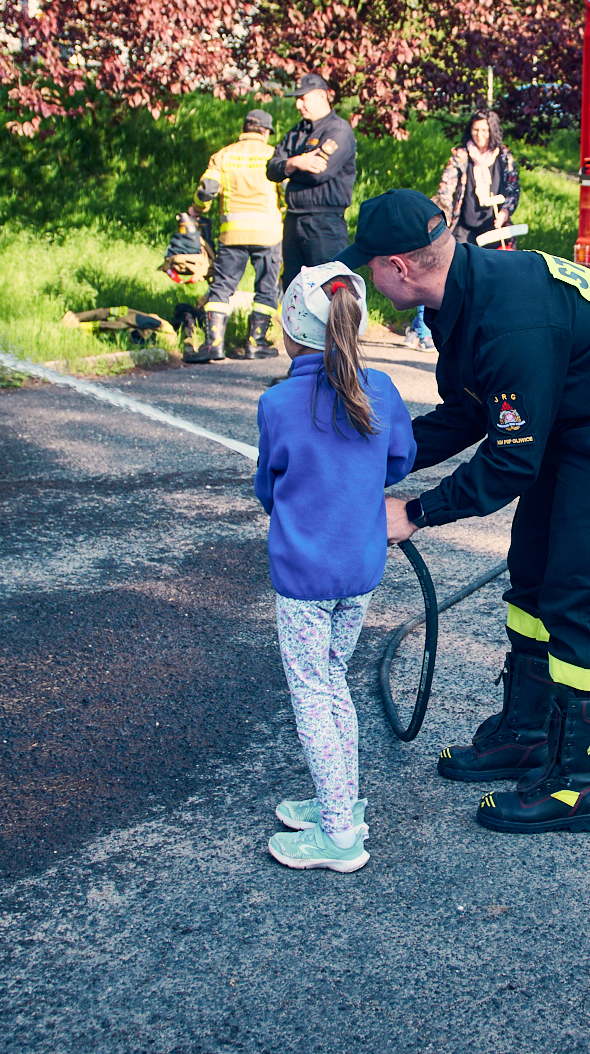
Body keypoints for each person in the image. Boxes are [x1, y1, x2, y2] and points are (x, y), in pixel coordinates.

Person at [355, 189, 590, 835]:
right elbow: (470, 411)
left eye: (370, 263)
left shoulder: (509, 319)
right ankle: (527, 735)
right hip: (569, 421)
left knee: (577, 597)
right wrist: (375, 462)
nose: (366, 275)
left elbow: (510, 462)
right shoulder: (464, 295)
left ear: (401, 267)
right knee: (531, 575)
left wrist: (415, 512)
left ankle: (577, 782)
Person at [255, 263, 416, 871]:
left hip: (303, 579)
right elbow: (397, 463)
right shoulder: (383, 391)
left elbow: (268, 489)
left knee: (313, 691)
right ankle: (339, 800)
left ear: (292, 329)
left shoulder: (278, 402)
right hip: (360, 572)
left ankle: (340, 835)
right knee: (333, 681)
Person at [185, 109, 285, 363]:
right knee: (266, 288)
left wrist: (196, 209)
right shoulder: (273, 155)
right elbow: (288, 191)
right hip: (268, 234)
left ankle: (214, 344)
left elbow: (207, 189)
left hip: (232, 235)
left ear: (244, 128)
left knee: (222, 287)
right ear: (265, 132)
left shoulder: (223, 156)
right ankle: (256, 343)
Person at [267, 73, 358, 297]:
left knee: (328, 291)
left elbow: (319, 173)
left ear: (320, 96)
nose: (298, 105)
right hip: (294, 218)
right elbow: (271, 169)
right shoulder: (297, 132)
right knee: (294, 291)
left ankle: (335, 334)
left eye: (303, 98)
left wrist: (287, 170)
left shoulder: (339, 130)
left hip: (324, 223)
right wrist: (297, 162)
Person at [435, 109, 522, 245]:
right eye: (475, 130)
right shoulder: (460, 156)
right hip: (464, 225)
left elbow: (513, 188)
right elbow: (445, 191)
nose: (479, 135)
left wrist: (505, 212)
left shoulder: (503, 156)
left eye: (484, 131)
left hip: (493, 224)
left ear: (492, 131)